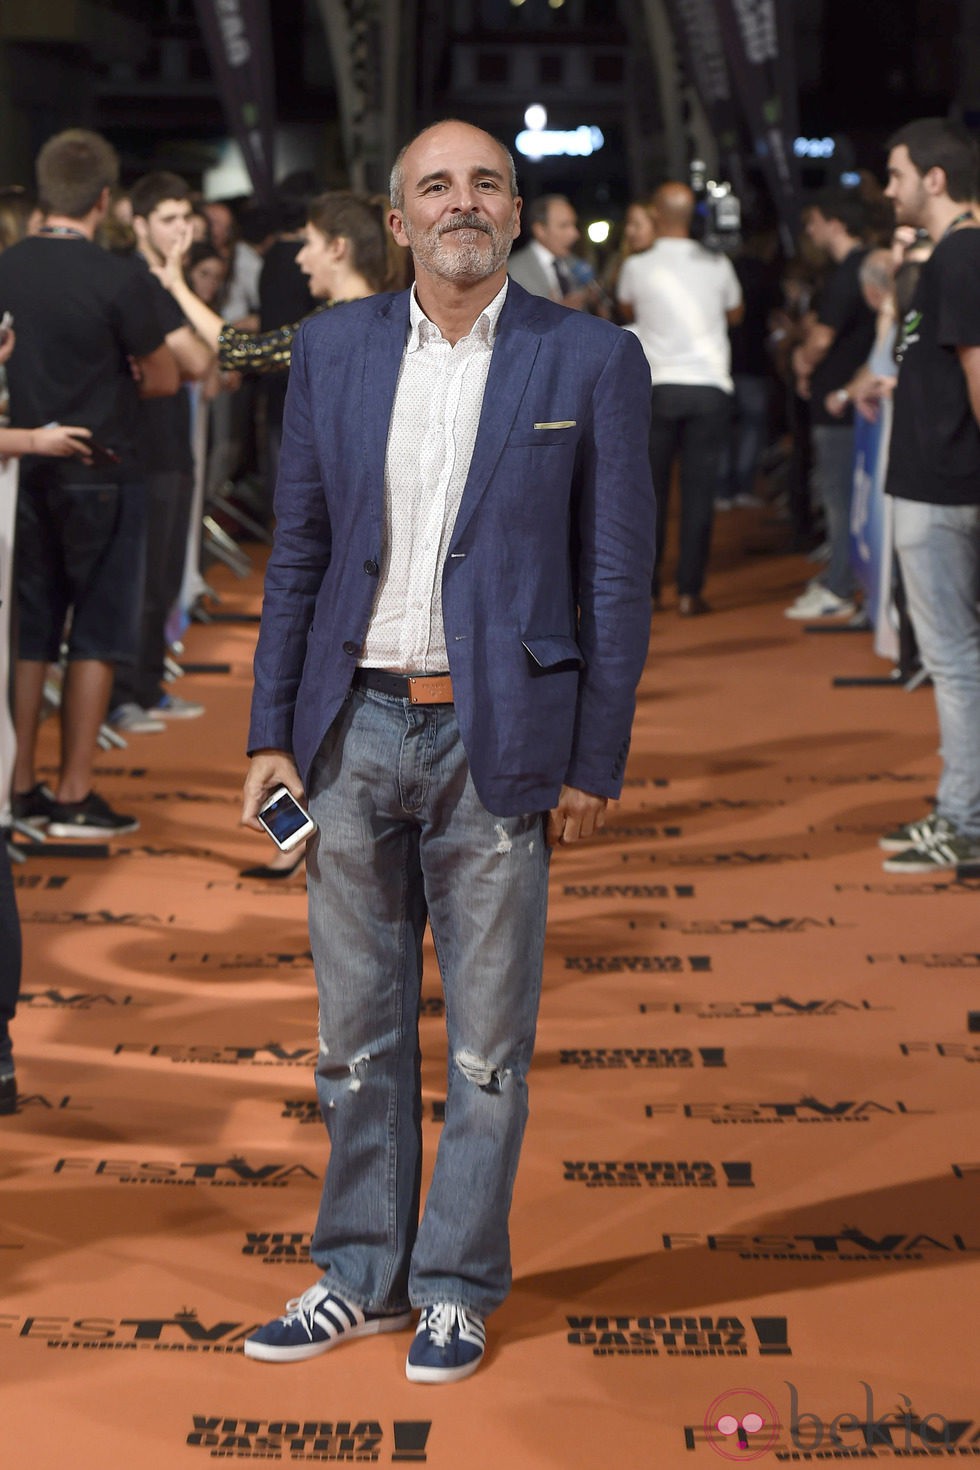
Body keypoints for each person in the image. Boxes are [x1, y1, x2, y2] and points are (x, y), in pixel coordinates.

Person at [239, 118, 654, 1383]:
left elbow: (615, 574)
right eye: (436, 186)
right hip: (351, 727)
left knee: (485, 1047)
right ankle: (360, 1273)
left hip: (500, 735)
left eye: (484, 183)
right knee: (355, 1038)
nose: (461, 202)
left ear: (514, 210)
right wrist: (267, 732)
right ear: (397, 215)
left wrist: (595, 754)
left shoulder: (590, 357)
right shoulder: (330, 349)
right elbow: (298, 555)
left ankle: (458, 1285)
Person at [0, 129, 178, 839]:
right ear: (105, 200)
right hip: (104, 469)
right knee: (97, 636)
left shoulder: (6, 267)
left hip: (21, 472)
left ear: (44, 192)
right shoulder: (118, 277)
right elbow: (165, 375)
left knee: (28, 634)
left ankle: (16, 782)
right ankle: (75, 789)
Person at [874, 118, 980, 872]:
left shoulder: (965, 251)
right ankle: (961, 810)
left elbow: (978, 369)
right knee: (956, 659)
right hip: (934, 482)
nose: (888, 189)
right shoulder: (953, 254)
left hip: (943, 487)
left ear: (934, 179)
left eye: (897, 174)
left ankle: (964, 820)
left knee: (956, 661)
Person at [108, 171, 214, 736]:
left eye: (185, 218)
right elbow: (197, 360)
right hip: (140, 448)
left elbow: (199, 360)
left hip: (173, 444)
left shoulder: (167, 284)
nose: (181, 230)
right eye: (168, 219)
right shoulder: (134, 280)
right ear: (140, 223)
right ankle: (124, 693)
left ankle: (147, 686)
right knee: (142, 581)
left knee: (165, 578)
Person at [618, 180, 743, 614]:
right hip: (709, 387)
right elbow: (735, 312)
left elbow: (627, 311)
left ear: (655, 212)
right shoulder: (716, 262)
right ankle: (690, 591)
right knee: (699, 492)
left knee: (649, 495)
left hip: (658, 388)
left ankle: (649, 590)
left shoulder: (637, 266)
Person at [785, 188, 875, 620]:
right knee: (844, 499)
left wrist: (802, 362)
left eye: (814, 220)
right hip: (848, 400)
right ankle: (842, 579)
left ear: (836, 222)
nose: (810, 230)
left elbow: (821, 338)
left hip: (840, 404)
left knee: (839, 500)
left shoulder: (848, 274)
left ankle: (840, 587)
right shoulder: (857, 269)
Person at [507, 194, 596, 310]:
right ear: (540, 230)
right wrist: (557, 312)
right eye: (564, 226)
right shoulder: (513, 270)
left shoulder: (575, 263)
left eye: (574, 225)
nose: (574, 234)